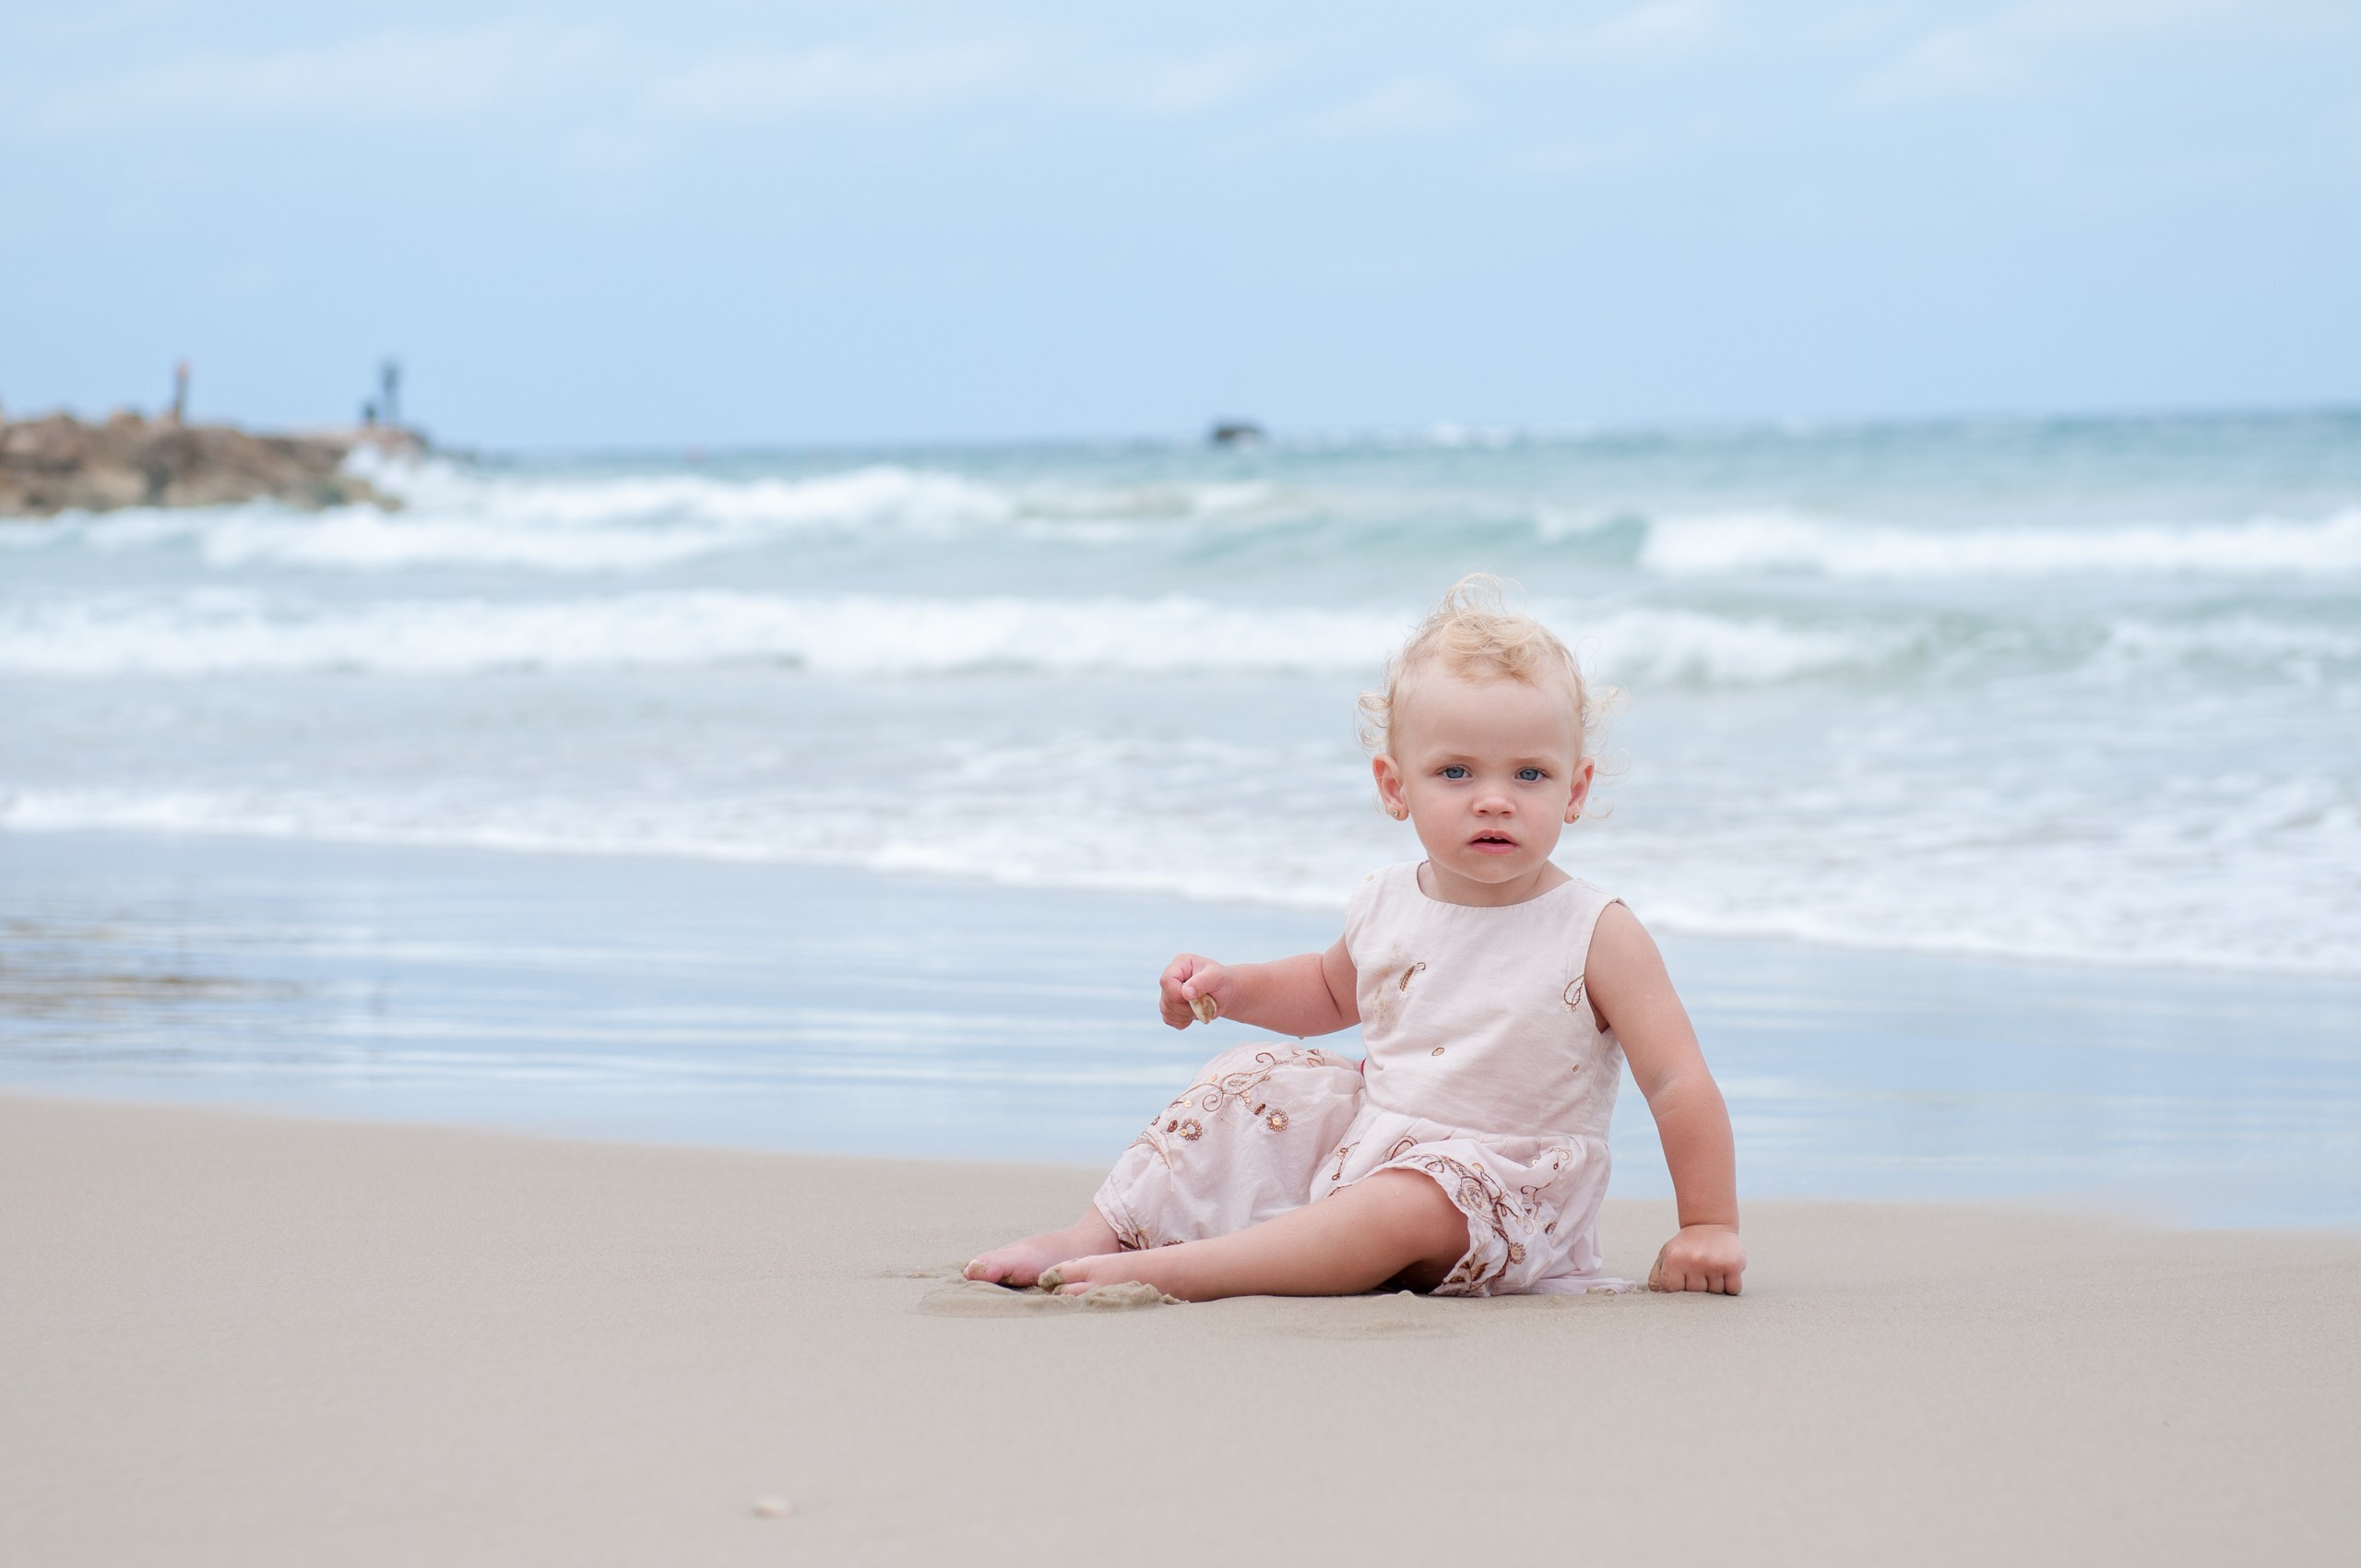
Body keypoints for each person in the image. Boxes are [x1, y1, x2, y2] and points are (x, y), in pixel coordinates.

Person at [966, 574, 1746, 1301]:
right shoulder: (1384, 901)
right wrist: (1233, 989)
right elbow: (1330, 990)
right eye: (1456, 773)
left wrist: (1708, 1225)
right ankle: (1098, 1231)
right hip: (1376, 1145)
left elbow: (1677, 1082)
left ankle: (1187, 1271)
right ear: (1394, 787)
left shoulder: (1596, 931)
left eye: (1530, 776)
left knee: (1406, 1206)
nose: (1495, 801)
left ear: (1576, 789)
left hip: (1504, 1189)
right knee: (1250, 1076)